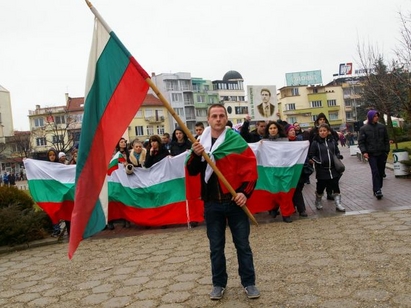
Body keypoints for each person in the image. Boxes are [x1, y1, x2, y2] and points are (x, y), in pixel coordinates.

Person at [187, 104, 260, 300]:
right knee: (216, 248)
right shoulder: (199, 143)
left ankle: (249, 282)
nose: (218, 119)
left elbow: (250, 170)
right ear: (209, 119)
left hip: (236, 203)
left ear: (226, 119)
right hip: (212, 204)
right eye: (214, 116)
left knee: (243, 245)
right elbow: (192, 170)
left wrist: (244, 193)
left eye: (221, 116)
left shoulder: (236, 141)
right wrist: (195, 154)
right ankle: (218, 284)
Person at [309, 123, 345, 212]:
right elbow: (311, 155)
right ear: (318, 132)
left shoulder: (332, 141)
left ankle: (338, 204)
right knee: (320, 187)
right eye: (320, 131)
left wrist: (338, 156)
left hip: (333, 169)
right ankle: (318, 200)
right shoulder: (315, 143)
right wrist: (319, 162)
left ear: (328, 131)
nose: (322, 132)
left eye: (324, 130)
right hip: (322, 170)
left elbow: (336, 151)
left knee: (336, 186)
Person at [262, 121, 291, 222]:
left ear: (278, 129)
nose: (273, 130)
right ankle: (273, 208)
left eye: (274, 128)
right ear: (268, 130)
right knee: (274, 191)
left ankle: (286, 214)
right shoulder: (264, 142)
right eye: (270, 128)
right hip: (271, 170)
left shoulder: (285, 140)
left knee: (285, 192)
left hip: (283, 169)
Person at [358, 110, 390, 200]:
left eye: (377, 116)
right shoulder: (364, 129)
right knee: (375, 171)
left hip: (381, 153)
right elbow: (361, 142)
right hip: (371, 154)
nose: (376, 117)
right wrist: (364, 152)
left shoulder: (382, 127)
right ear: (371, 117)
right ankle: (377, 190)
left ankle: (378, 187)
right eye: (375, 116)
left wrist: (386, 150)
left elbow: (386, 139)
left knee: (380, 172)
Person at [308, 113, 339, 200]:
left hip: (331, 162)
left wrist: (337, 156)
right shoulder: (313, 133)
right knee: (321, 182)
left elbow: (335, 142)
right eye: (320, 119)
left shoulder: (331, 134)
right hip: (320, 160)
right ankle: (319, 198)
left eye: (323, 119)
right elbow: (310, 145)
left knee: (333, 180)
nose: (322, 121)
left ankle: (330, 194)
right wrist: (315, 159)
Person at [286, 125, 309, 218]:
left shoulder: (300, 141)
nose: (293, 132)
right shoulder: (284, 143)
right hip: (288, 169)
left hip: (299, 169)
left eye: (293, 130)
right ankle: (300, 209)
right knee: (293, 190)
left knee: (298, 189)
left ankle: (300, 208)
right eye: (290, 130)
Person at [46, 148, 62, 237]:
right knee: (52, 211)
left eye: (53, 155)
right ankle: (56, 229)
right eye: (50, 155)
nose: (52, 156)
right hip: (50, 191)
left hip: (58, 191)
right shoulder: (45, 166)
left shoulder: (59, 165)